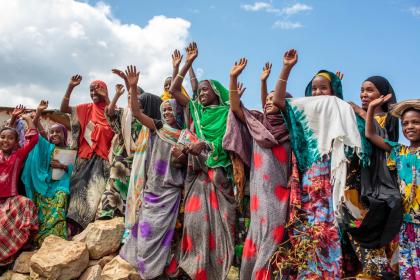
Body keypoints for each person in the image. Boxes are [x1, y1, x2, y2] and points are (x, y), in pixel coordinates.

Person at [272, 50, 367, 279]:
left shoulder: (341, 109)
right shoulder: (303, 108)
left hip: (335, 179)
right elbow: (277, 101)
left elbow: (360, 140)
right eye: (314, 88)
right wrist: (286, 68)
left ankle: (330, 273)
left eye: (324, 87)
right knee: (308, 227)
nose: (318, 92)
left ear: (334, 90)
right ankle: (309, 273)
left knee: (331, 227)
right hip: (309, 178)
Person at [169, 42, 236, 280]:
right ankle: (192, 267)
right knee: (195, 223)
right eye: (199, 92)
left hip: (219, 174)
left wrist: (206, 145)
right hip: (197, 176)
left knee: (220, 224)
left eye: (205, 91)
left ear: (217, 92)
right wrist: (187, 63)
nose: (201, 95)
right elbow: (176, 89)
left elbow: (230, 142)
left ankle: (217, 269)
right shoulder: (197, 111)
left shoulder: (228, 114)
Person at [225, 57, 291, 279]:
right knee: (257, 237)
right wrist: (233, 78)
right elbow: (236, 108)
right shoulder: (258, 125)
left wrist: (283, 70)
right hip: (258, 194)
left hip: (282, 193)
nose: (270, 101)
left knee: (275, 236)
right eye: (267, 98)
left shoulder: (293, 132)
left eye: (276, 98)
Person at [119, 66, 187, 279]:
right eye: (164, 110)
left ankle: (155, 270)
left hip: (171, 191)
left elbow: (185, 163)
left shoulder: (185, 136)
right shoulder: (158, 127)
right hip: (152, 189)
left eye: (170, 110)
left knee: (163, 234)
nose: (166, 113)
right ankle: (139, 264)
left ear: (178, 113)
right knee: (146, 229)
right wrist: (131, 88)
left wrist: (182, 156)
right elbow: (138, 113)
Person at [344, 76, 402, 278]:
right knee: (356, 223)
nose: (363, 95)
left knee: (381, 224)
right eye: (361, 90)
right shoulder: (352, 117)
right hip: (355, 178)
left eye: (370, 90)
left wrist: (362, 112)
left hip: (380, 182)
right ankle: (372, 269)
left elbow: (381, 139)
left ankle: (387, 270)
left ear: (384, 96)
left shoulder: (389, 118)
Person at [365, 97, 419, 280]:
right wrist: (371, 108)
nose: (409, 127)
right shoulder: (399, 151)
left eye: (416, 122)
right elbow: (371, 135)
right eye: (405, 124)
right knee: (408, 267)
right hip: (406, 220)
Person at [97, 70, 162, 221]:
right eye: (129, 96)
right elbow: (111, 114)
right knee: (114, 186)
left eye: (135, 96)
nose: (131, 98)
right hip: (122, 158)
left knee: (137, 190)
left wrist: (130, 85)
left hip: (142, 159)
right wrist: (115, 96)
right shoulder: (125, 114)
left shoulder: (149, 118)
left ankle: (129, 219)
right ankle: (107, 215)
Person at [60, 75, 114, 231]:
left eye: (98, 89)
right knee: (77, 193)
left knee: (93, 197)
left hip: (103, 161)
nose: (94, 93)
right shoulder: (86, 109)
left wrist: (108, 98)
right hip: (84, 159)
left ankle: (86, 232)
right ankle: (71, 231)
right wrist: (70, 87)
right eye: (91, 90)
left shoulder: (112, 110)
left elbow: (115, 119)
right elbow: (64, 109)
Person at [21, 100, 74, 246]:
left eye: (58, 131)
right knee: (40, 201)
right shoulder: (48, 146)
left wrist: (63, 166)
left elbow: (74, 171)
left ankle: (57, 238)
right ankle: (42, 240)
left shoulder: (71, 151)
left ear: (65, 135)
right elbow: (37, 134)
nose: (54, 134)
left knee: (61, 196)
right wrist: (37, 113)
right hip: (46, 184)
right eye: (52, 132)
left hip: (61, 185)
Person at [0, 112, 38, 265]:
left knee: (27, 203)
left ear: (17, 143)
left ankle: (23, 245)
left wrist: (28, 118)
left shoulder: (18, 156)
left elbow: (34, 139)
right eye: (2, 137)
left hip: (10, 200)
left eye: (10, 138)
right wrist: (14, 118)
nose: (5, 140)